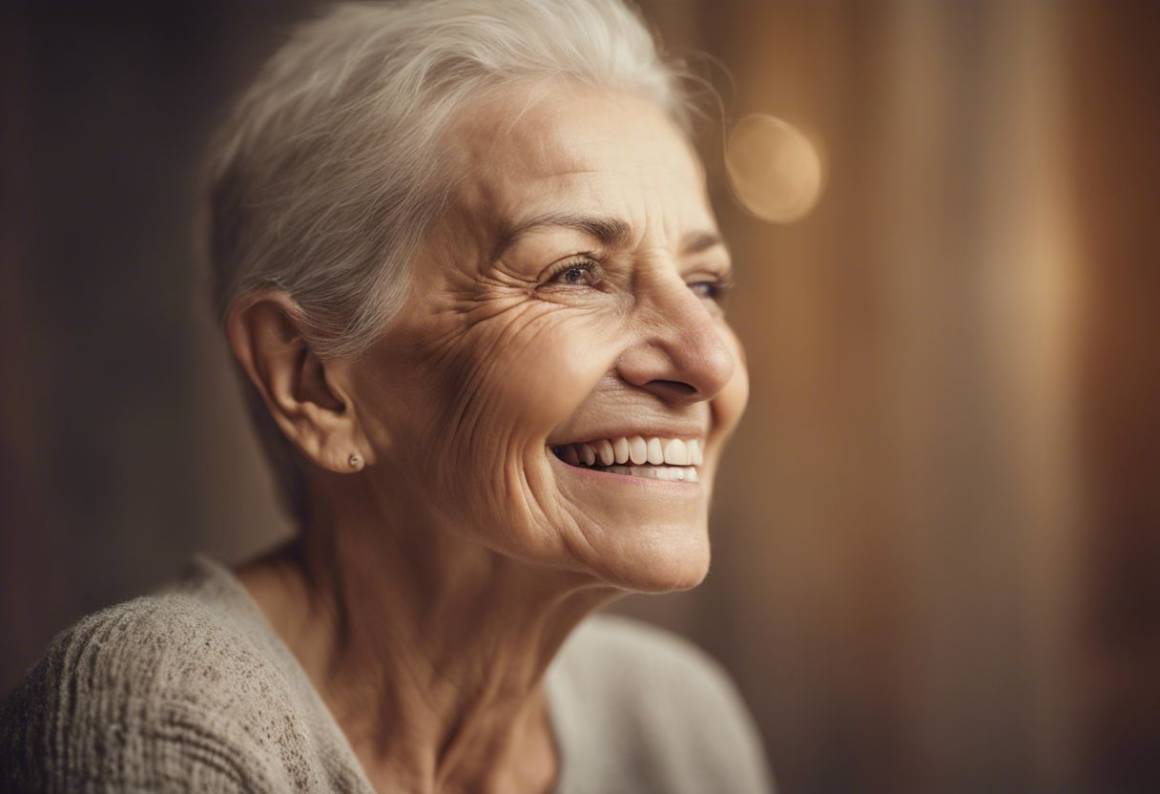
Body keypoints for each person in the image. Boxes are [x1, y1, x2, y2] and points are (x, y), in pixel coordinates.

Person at [1, 1, 771, 791]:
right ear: (314, 379)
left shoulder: (676, 721)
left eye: (706, 284)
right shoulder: (163, 712)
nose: (710, 360)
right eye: (573, 272)